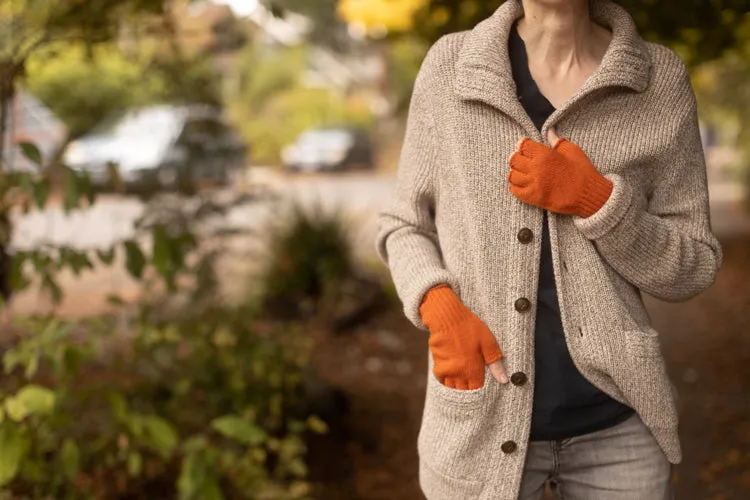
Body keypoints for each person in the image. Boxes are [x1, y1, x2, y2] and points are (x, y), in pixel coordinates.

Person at [375, 0, 723, 498]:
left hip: (618, 430)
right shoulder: (453, 66)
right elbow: (403, 223)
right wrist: (439, 306)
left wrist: (596, 200)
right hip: (478, 417)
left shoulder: (656, 80)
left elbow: (694, 265)